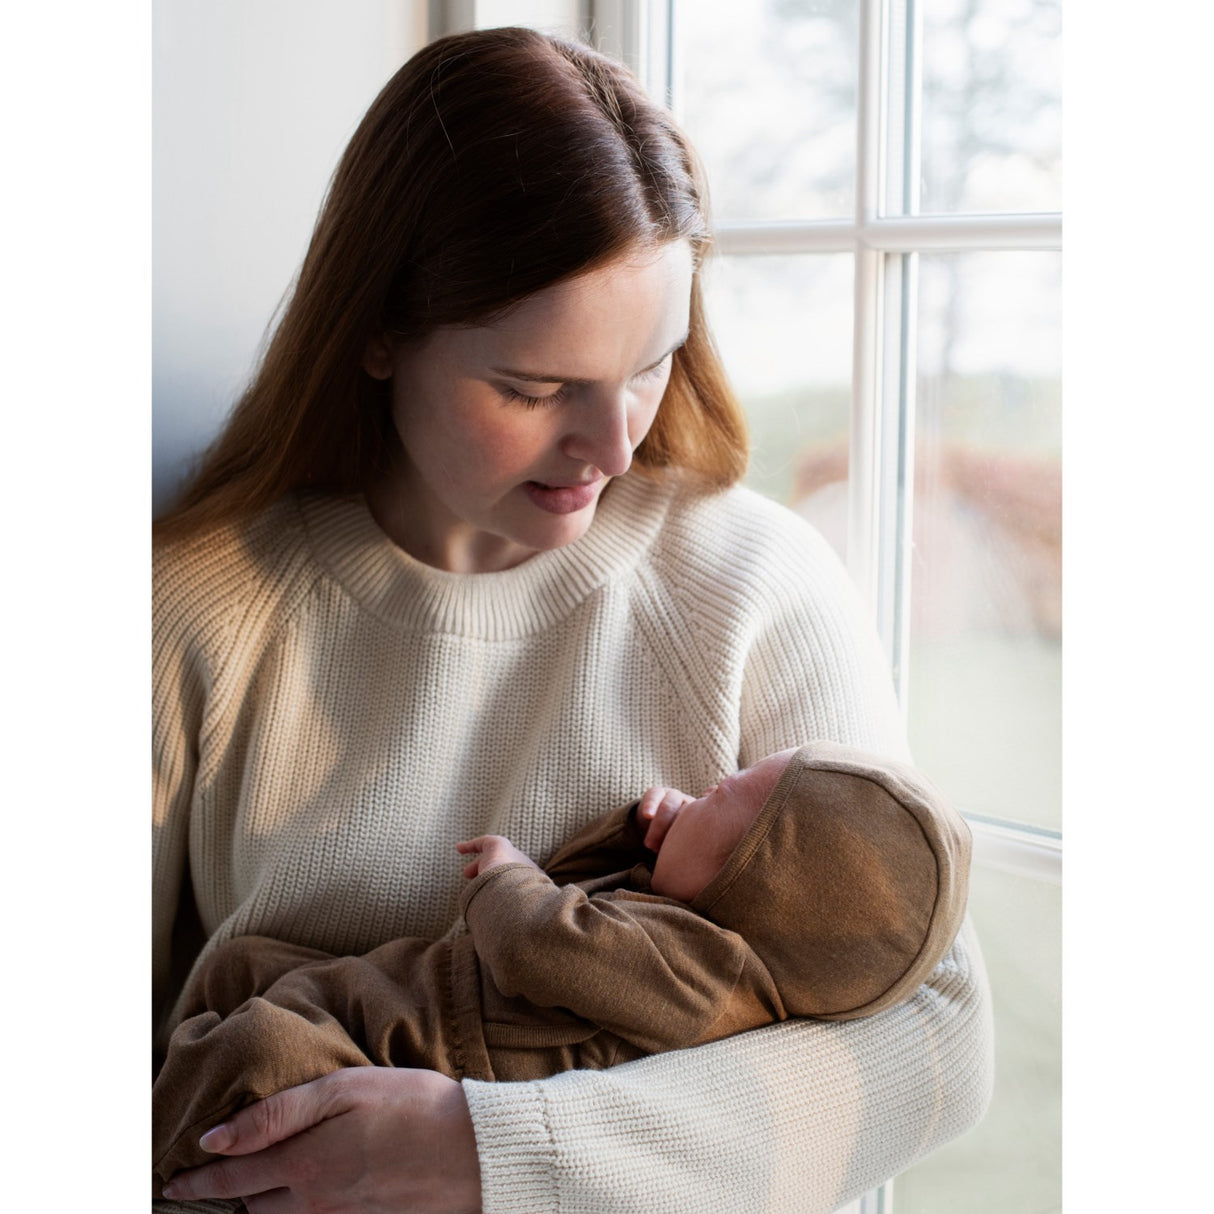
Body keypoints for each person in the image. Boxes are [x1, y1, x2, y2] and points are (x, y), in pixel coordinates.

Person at [153, 25, 992, 1214]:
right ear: (377, 332)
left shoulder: (755, 580)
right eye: (533, 387)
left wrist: (500, 1153)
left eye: (649, 364)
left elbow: (936, 1039)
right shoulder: (193, 613)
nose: (614, 444)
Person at [153, 741, 972, 1192]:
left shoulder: (709, 970)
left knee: (257, 1053)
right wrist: (644, 837)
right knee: (240, 966)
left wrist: (509, 877)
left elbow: (549, 946)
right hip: (396, 990)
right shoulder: (686, 923)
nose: (695, 791)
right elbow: (587, 891)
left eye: (719, 795)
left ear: (752, 888)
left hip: (420, 1046)